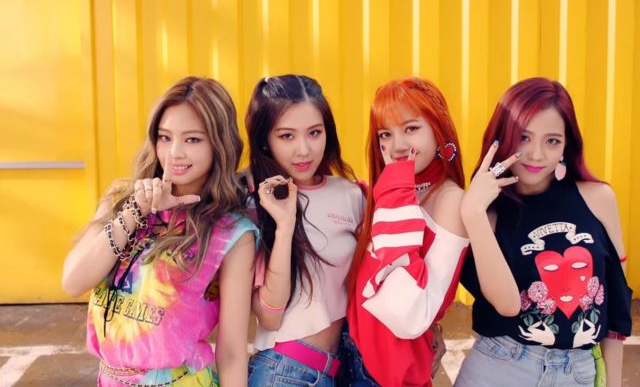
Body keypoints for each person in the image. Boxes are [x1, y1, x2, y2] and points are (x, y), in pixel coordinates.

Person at [62, 77, 258, 387]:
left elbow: (232, 352)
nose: (174, 153)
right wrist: (137, 210)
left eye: (193, 140)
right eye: (165, 137)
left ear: (219, 144)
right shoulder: (122, 199)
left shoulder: (231, 233)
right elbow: (73, 281)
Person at [454, 77, 632, 387]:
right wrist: (473, 214)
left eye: (552, 141)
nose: (536, 155)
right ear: (503, 138)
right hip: (501, 367)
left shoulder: (599, 199)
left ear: (566, 146)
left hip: (576, 373)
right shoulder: (485, 215)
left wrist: (614, 383)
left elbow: (616, 303)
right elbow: (506, 305)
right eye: (524, 137)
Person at [345, 77, 471, 386]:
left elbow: (410, 314)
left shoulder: (449, 200)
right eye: (385, 134)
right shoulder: (394, 190)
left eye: (411, 129)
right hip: (351, 357)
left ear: (438, 131)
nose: (398, 146)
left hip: (389, 376)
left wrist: (395, 193)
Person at [243, 75, 365, 387]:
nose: (304, 150)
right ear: (265, 141)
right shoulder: (255, 205)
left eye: (314, 133)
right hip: (283, 372)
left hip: (341, 371)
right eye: (286, 136)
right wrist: (284, 226)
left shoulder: (350, 194)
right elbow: (269, 316)